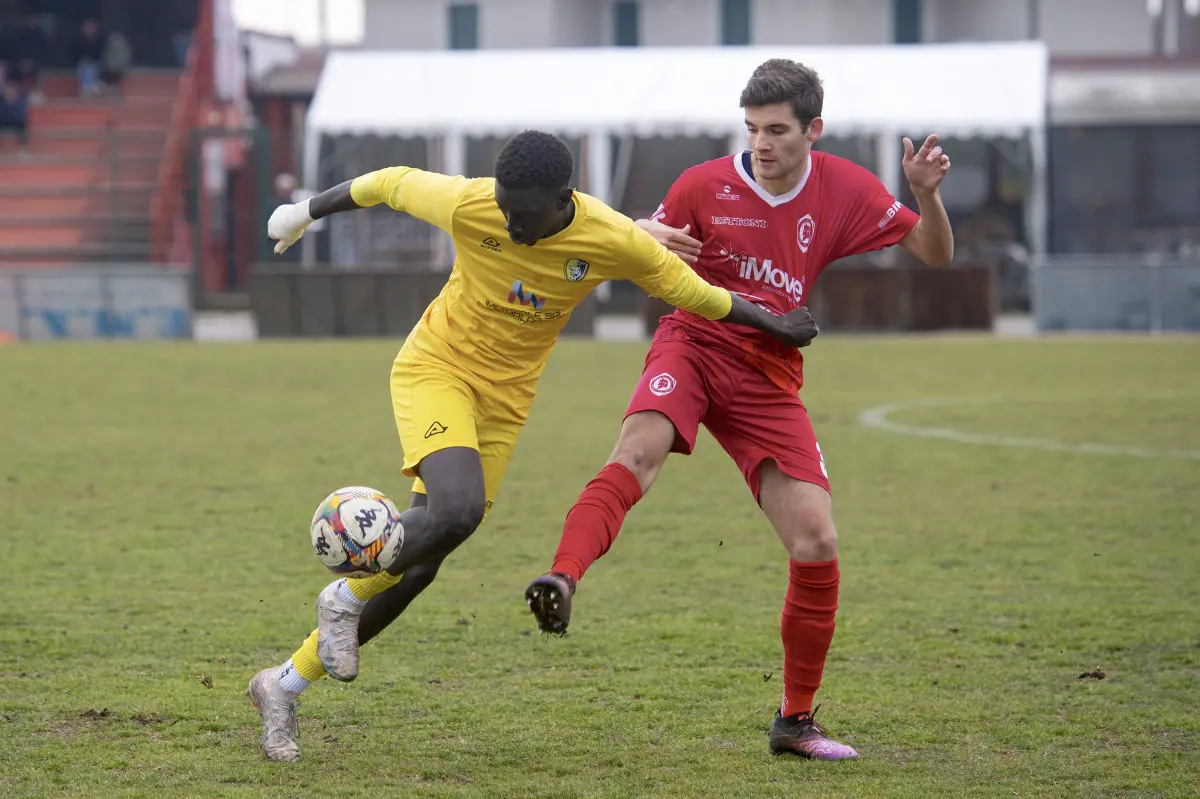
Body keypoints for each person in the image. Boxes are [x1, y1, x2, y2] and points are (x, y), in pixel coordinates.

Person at [247, 129, 822, 762]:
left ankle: (283, 684)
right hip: (437, 370)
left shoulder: (610, 238)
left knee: (423, 564)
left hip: (504, 402)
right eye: (506, 209)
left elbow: (699, 296)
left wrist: (777, 323)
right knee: (458, 512)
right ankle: (345, 597)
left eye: (526, 214)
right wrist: (305, 211)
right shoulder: (471, 203)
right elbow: (384, 182)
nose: (512, 225)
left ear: (562, 198)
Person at [523, 58, 954, 762]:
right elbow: (626, 248)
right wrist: (641, 234)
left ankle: (796, 719)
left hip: (767, 372)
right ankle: (561, 577)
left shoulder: (846, 187)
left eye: (778, 130)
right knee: (636, 453)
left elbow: (935, 252)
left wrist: (926, 196)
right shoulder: (700, 185)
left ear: (813, 129)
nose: (762, 143)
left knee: (816, 540)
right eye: (752, 128)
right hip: (691, 345)